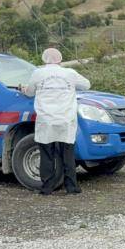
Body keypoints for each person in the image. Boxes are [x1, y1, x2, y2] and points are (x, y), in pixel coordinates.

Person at [23, 47, 89, 195]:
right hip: (66, 120)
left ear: (44, 59)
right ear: (60, 59)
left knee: (47, 154)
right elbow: (87, 85)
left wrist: (23, 89)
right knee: (68, 154)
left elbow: (30, 92)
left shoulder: (38, 73)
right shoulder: (70, 73)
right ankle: (71, 187)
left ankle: (47, 187)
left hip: (46, 120)